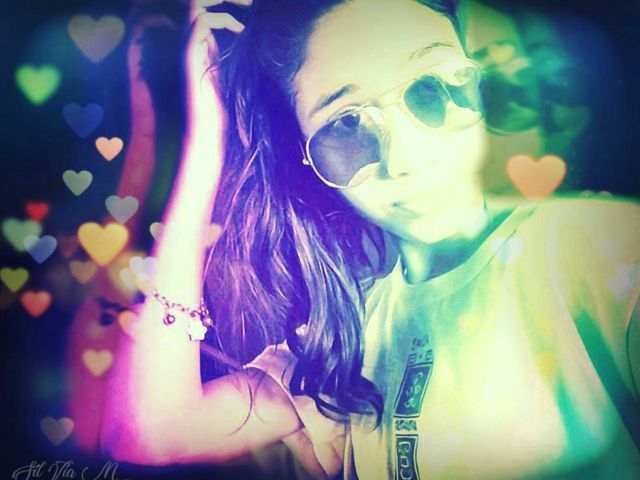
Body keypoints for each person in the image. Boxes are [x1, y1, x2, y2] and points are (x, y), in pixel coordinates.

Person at [99, 0, 640, 478]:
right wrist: (207, 147)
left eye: (429, 87)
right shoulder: (344, 341)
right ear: (305, 156)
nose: (405, 159)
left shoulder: (598, 250)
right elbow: (148, 435)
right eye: (346, 123)